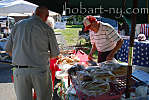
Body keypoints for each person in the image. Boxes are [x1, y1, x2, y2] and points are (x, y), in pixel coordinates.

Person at [5, 6, 60, 100]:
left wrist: (21, 58)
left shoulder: (18, 25)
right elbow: (55, 54)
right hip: (40, 70)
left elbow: (8, 49)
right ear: (46, 17)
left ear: (33, 13)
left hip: (20, 70)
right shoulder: (46, 28)